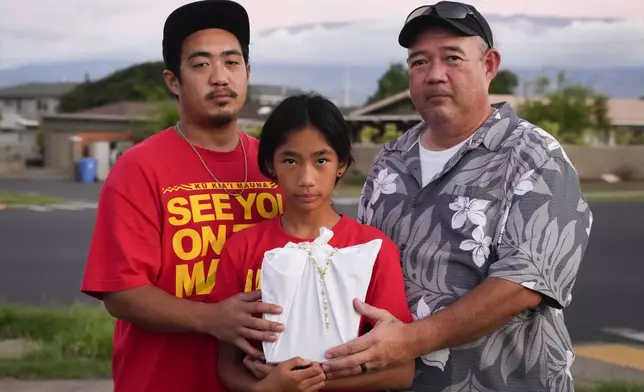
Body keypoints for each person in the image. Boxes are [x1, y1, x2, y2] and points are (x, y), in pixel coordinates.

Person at [321, 2, 594, 391]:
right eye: (419, 62)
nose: (434, 75)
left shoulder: (534, 156)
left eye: (452, 57)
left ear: (489, 65)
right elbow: (357, 261)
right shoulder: (390, 161)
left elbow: (522, 285)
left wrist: (408, 342)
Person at [80, 1, 286, 391]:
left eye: (231, 62)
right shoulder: (139, 169)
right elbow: (121, 293)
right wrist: (212, 318)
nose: (220, 78)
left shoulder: (276, 166)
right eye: (201, 64)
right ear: (173, 81)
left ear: (247, 72)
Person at [212, 93, 415, 392]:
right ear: (271, 165)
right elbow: (227, 365)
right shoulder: (242, 248)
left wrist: (309, 383)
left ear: (341, 165)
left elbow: (402, 372)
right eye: (291, 160)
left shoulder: (373, 248)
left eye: (321, 160)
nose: (306, 178)